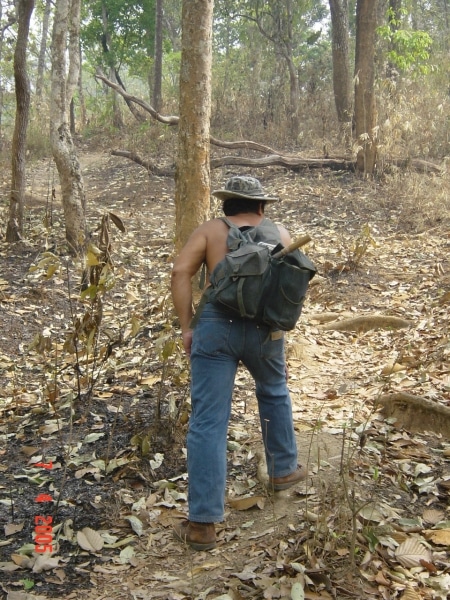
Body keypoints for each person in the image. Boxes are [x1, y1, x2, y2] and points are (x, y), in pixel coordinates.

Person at [170, 175, 307, 551]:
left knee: (209, 421)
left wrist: (186, 327)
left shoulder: (211, 230)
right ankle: (283, 470)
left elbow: (180, 272)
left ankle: (202, 524)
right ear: (261, 206)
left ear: (226, 204)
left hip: (215, 328)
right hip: (265, 330)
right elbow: (294, 282)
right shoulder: (279, 231)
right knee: (274, 390)